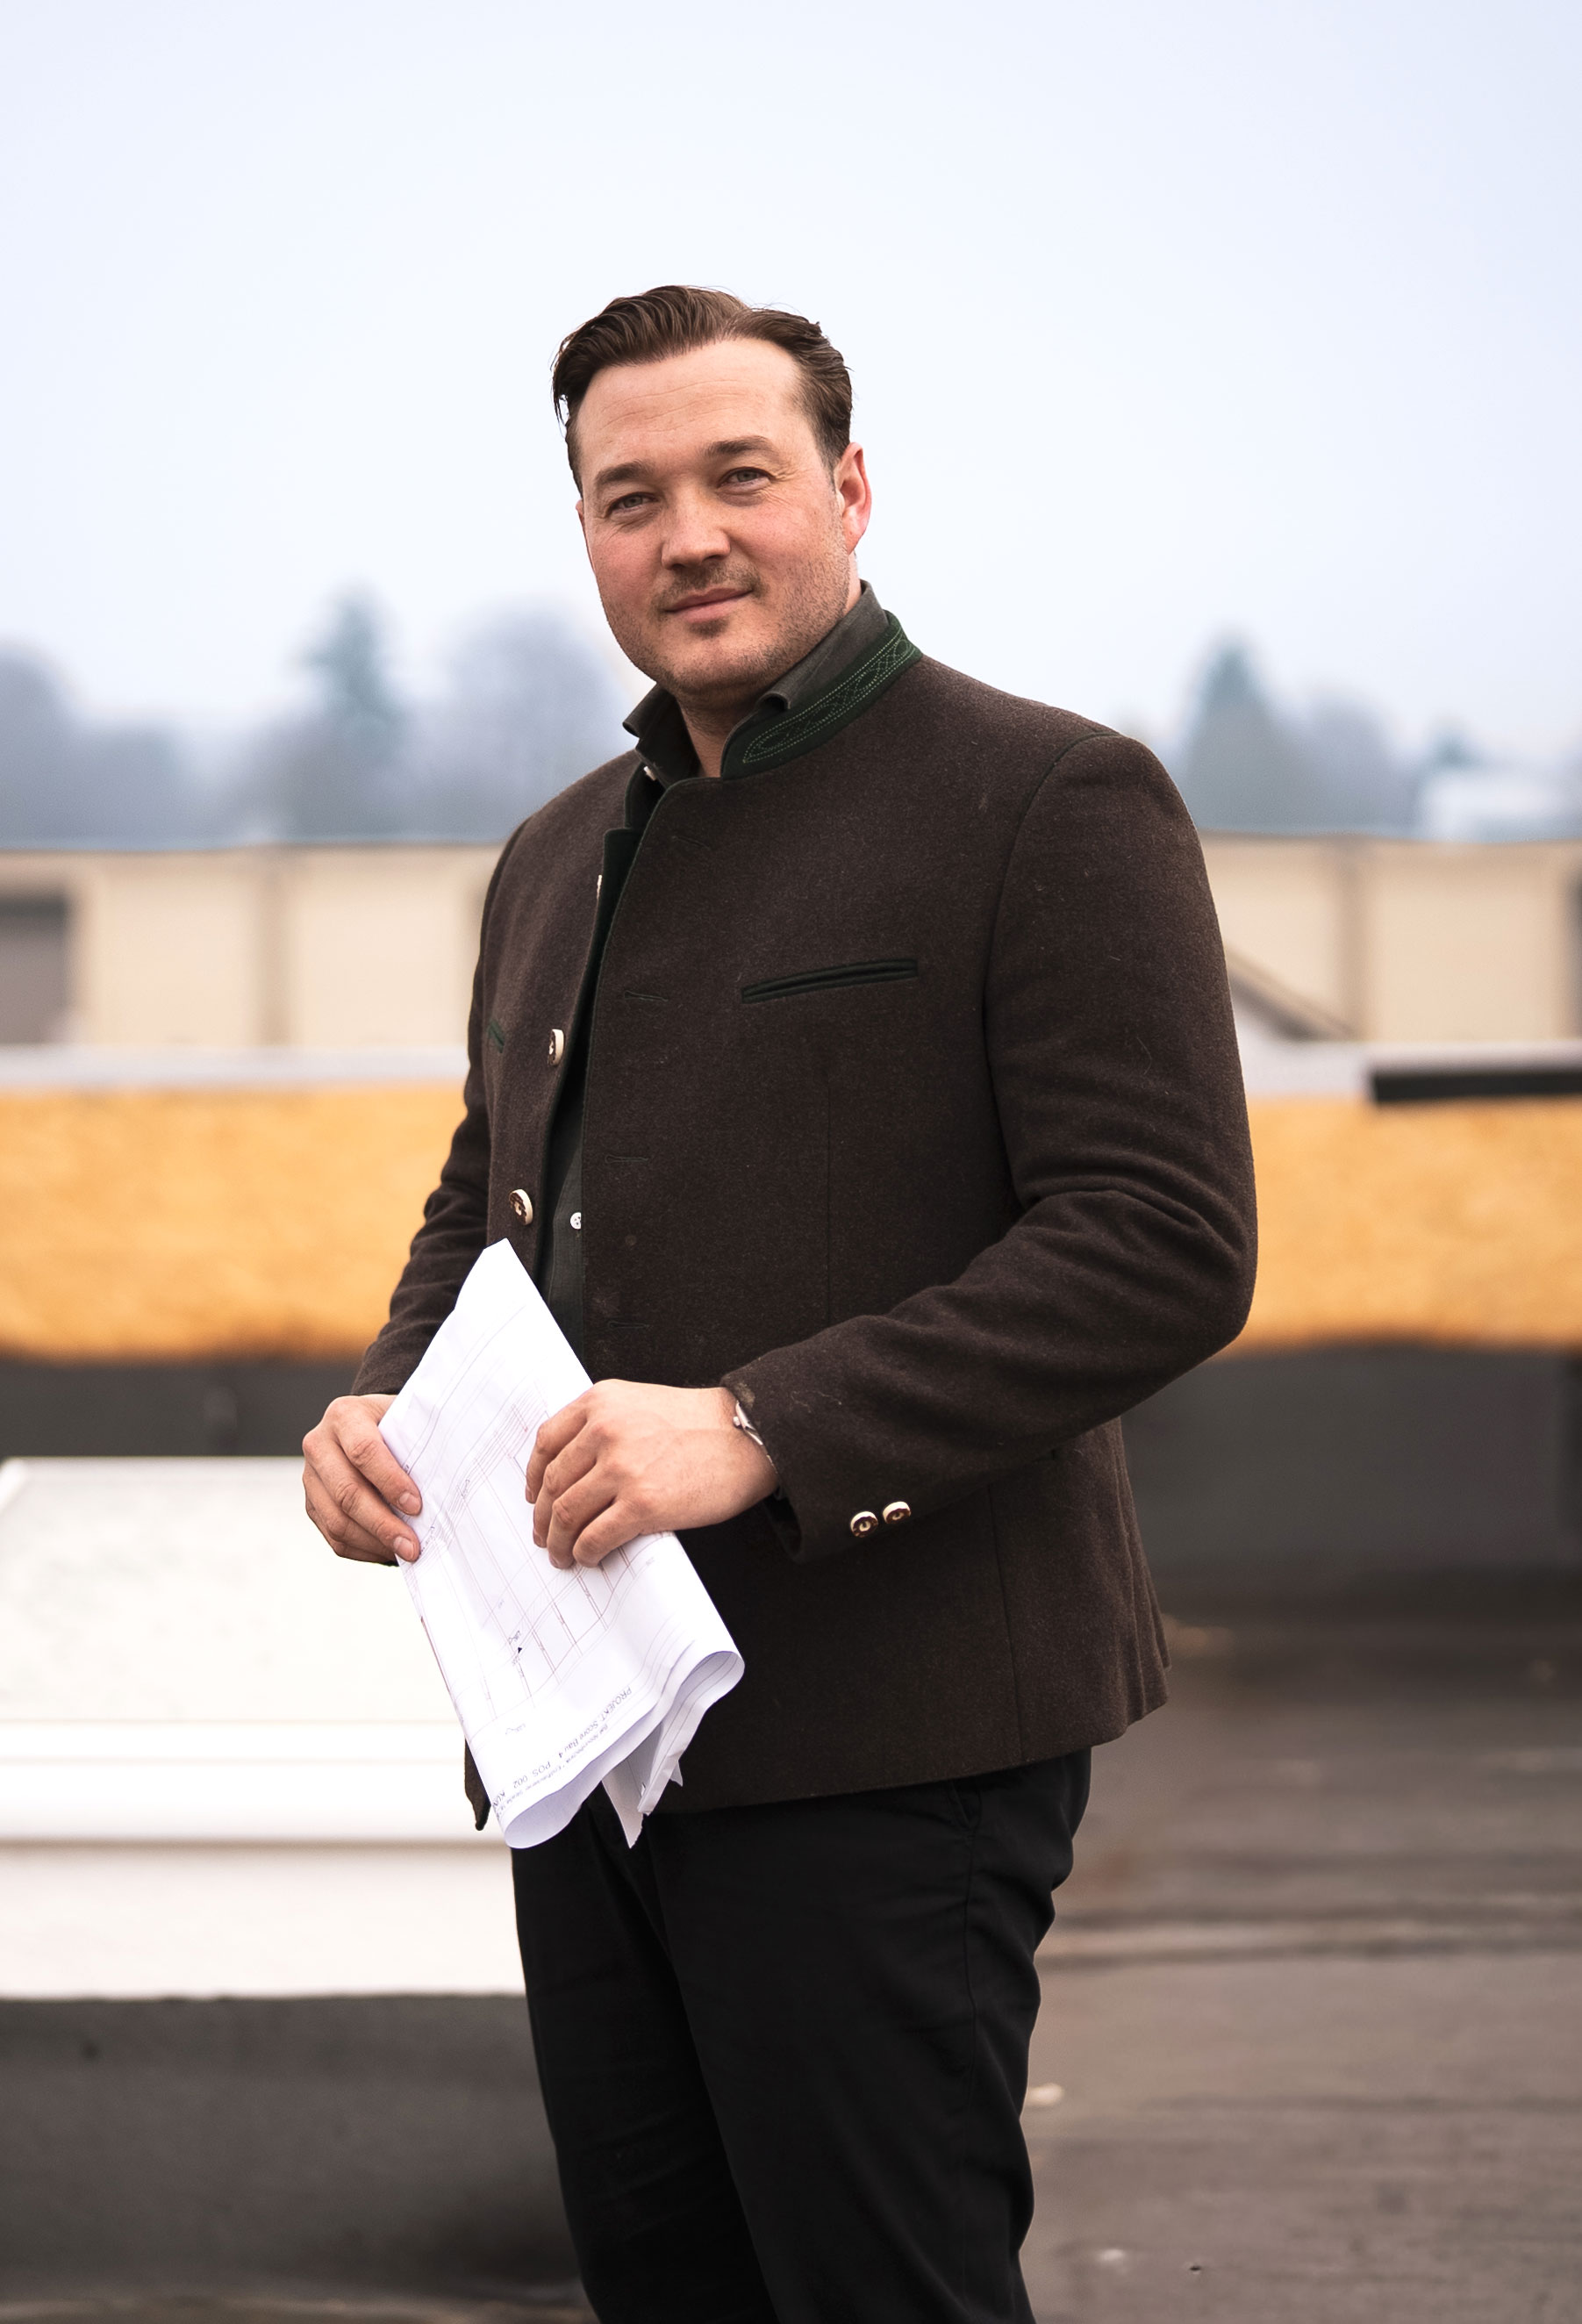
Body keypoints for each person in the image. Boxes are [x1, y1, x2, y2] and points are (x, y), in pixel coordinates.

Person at [302, 283, 1256, 2324]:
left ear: (846, 487)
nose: (688, 535)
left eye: (739, 475)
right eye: (627, 496)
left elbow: (1160, 1236)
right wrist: (383, 1396)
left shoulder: (1047, 799)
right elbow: (497, 1194)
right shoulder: (554, 852)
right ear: (584, 537)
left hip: (894, 1722)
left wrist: (755, 1427)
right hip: (590, 1729)